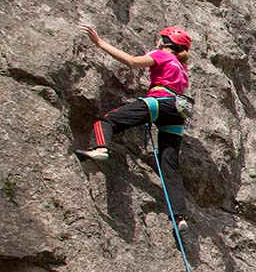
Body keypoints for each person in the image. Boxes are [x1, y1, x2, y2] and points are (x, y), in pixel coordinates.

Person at [75, 24, 193, 233]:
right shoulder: (182, 69)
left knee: (106, 121)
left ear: (166, 42)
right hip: (177, 111)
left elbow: (131, 61)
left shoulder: (162, 55)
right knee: (169, 164)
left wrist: (99, 42)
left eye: (160, 37)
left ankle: (100, 148)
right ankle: (179, 216)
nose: (157, 40)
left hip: (160, 101)